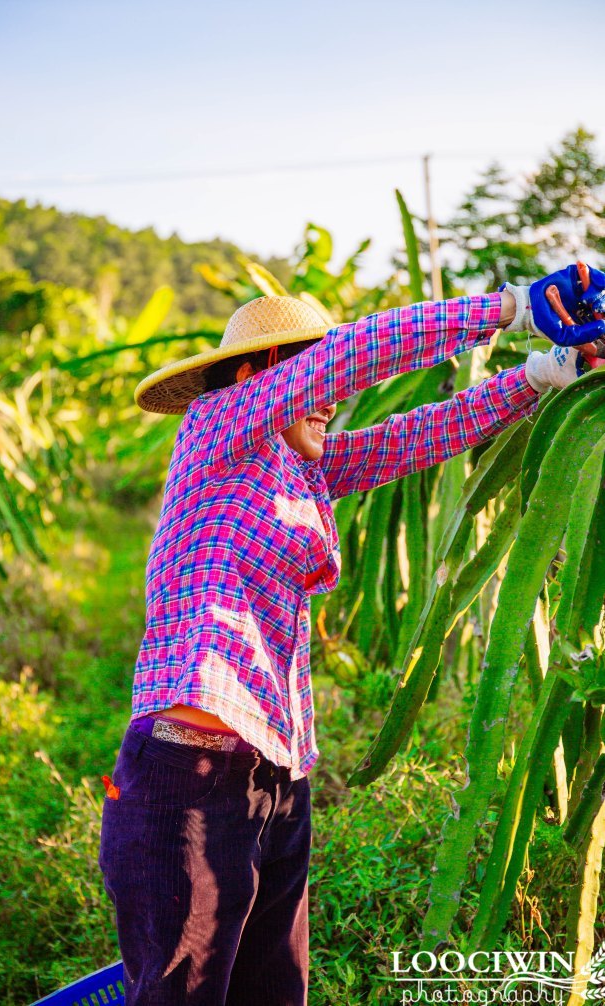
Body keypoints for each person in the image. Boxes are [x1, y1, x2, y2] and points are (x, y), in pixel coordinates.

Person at [98, 265, 605, 1006]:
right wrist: (512, 307)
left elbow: (416, 435)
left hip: (276, 778)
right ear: (254, 376)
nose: (331, 397)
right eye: (308, 373)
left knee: (275, 991)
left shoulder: (297, 471)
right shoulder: (215, 428)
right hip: (189, 776)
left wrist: (539, 375)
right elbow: (351, 355)